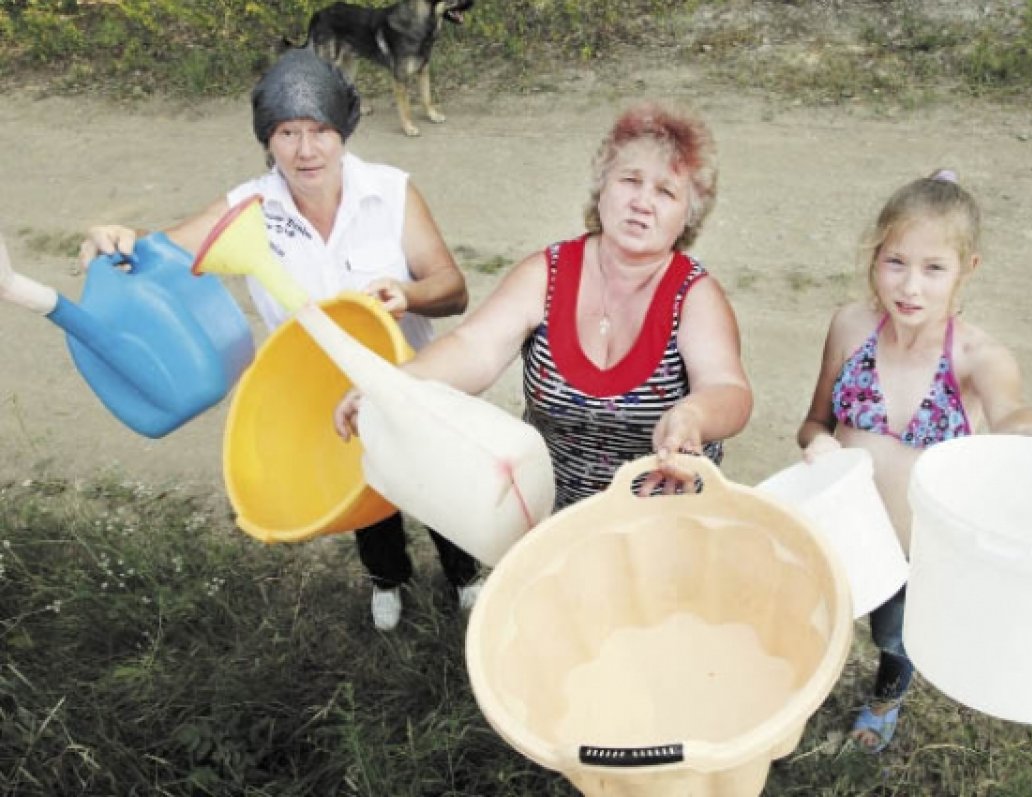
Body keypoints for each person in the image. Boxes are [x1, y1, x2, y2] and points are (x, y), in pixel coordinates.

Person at [78, 48, 481, 632]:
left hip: (410, 374)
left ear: (343, 132)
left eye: (320, 130)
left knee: (435, 479)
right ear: (268, 141)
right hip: (323, 388)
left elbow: (453, 287)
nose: (305, 149)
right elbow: (163, 251)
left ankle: (464, 574)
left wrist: (408, 294)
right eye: (287, 132)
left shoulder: (392, 192)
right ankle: (388, 578)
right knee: (362, 492)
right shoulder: (249, 206)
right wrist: (117, 239)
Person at [335, 101, 753, 514]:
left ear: (688, 216)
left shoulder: (695, 295)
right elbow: (474, 347)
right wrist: (393, 384)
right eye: (629, 180)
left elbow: (728, 389)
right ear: (602, 188)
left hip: (665, 514)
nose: (642, 202)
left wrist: (692, 416)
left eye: (666, 191)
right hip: (555, 515)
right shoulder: (547, 274)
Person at [795, 169, 1032, 753]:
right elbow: (814, 419)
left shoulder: (977, 355)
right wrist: (817, 441)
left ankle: (885, 700)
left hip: (917, 550)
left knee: (896, 637)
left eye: (933, 268)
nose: (910, 286)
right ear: (873, 256)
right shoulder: (850, 326)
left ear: (966, 271)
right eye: (895, 261)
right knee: (814, 621)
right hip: (840, 528)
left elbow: (1011, 412)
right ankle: (796, 695)